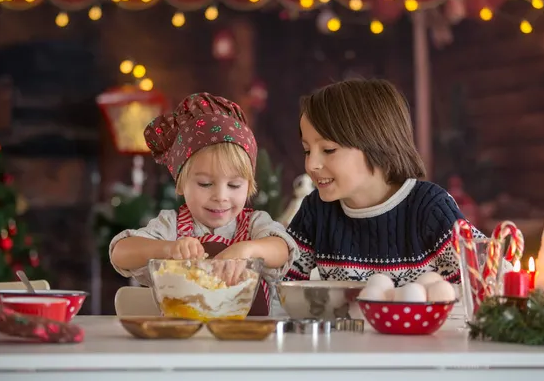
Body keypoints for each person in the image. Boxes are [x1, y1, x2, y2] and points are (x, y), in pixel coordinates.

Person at [110, 92, 298, 315]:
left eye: (234, 185)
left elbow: (283, 249)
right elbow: (120, 252)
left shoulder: (254, 225)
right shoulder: (171, 227)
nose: (220, 196)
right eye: (205, 184)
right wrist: (167, 249)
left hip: (251, 342)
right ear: (180, 183)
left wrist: (246, 250)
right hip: (184, 342)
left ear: (249, 186)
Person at [284, 79, 485, 286]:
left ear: (377, 144)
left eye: (328, 150)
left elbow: (490, 276)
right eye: (307, 151)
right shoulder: (316, 210)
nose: (311, 164)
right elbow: (279, 287)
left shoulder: (430, 207)